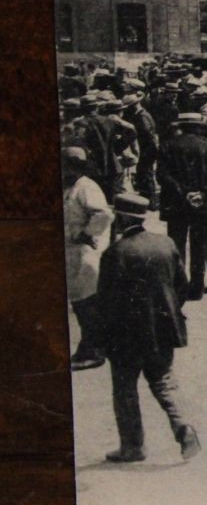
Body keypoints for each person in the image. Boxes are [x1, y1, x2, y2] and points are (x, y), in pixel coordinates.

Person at [97, 192, 202, 464]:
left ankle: (133, 447)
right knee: (163, 382)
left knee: (125, 388)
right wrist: (167, 314)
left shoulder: (115, 253)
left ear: (120, 218)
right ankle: (184, 428)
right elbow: (182, 286)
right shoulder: (165, 244)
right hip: (164, 329)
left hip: (126, 335)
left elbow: (106, 301)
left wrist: (99, 338)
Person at [157, 112, 207, 299]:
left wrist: (183, 192)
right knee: (199, 247)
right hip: (202, 204)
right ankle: (197, 287)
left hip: (176, 203)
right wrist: (202, 193)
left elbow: (162, 176)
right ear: (199, 127)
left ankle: (178, 286)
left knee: (176, 245)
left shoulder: (168, 146)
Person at [63, 146, 113, 371]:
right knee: (80, 301)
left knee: (86, 302)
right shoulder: (70, 186)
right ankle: (90, 346)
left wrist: (86, 233)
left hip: (86, 252)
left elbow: (102, 214)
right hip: (73, 252)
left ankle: (94, 350)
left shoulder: (86, 187)